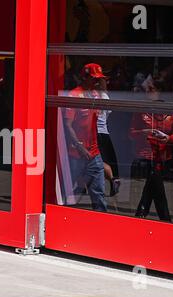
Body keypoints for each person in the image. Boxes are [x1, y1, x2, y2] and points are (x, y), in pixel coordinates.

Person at [129, 77, 173, 222]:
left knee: (153, 186)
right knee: (155, 183)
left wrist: (169, 138)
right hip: (146, 156)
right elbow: (132, 133)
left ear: (160, 92)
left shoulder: (170, 112)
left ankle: (142, 214)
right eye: (147, 89)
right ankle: (165, 219)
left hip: (164, 156)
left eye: (151, 89)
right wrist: (145, 132)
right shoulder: (142, 110)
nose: (148, 92)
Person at [64, 63, 107, 212]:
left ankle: (101, 224)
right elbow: (67, 125)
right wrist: (79, 146)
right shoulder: (74, 95)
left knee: (99, 193)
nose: (96, 82)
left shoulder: (96, 94)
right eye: (94, 78)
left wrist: (102, 85)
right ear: (85, 77)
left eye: (98, 79)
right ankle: (65, 219)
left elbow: (104, 106)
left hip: (94, 153)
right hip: (76, 154)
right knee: (71, 194)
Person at [96, 77, 121, 197]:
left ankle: (112, 179)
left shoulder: (94, 96)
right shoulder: (105, 96)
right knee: (104, 158)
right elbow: (108, 114)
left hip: (96, 132)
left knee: (96, 159)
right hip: (104, 131)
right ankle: (113, 179)